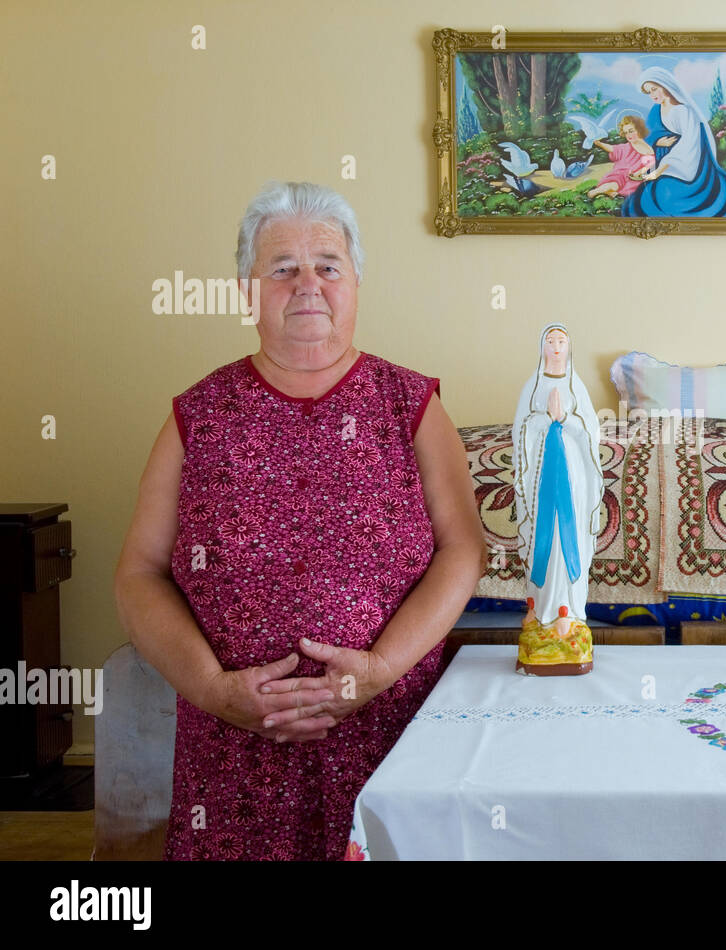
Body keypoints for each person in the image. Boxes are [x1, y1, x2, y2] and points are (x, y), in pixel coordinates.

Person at [113, 181, 487, 860]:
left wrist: (376, 669)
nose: (307, 283)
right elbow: (138, 573)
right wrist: (213, 690)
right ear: (247, 291)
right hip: (231, 755)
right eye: (282, 268)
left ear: (355, 284)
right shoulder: (195, 417)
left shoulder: (412, 406)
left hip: (388, 735)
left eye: (328, 265)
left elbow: (463, 551)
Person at [511, 324, 603, 650]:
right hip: (540, 476)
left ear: (569, 347)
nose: (556, 346)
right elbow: (519, 431)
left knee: (569, 539)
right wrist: (544, 419)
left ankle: (570, 610)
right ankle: (539, 610)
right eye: (550, 341)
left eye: (561, 341)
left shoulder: (576, 386)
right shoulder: (531, 387)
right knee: (543, 540)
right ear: (542, 346)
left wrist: (565, 419)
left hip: (572, 478)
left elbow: (592, 433)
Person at [621, 66, 726, 218]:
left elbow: (689, 143)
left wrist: (659, 171)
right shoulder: (656, 110)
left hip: (689, 167)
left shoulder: (684, 111)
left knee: (666, 193)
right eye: (649, 92)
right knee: (649, 192)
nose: (652, 95)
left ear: (665, 86)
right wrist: (658, 141)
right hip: (663, 162)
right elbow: (649, 134)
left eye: (654, 89)